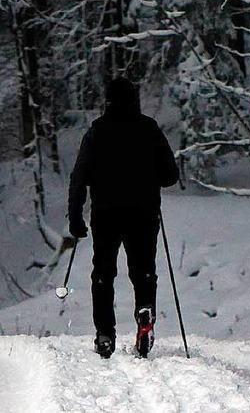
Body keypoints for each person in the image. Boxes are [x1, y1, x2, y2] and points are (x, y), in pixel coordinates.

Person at [68, 77, 179, 358]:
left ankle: (105, 333)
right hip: (143, 213)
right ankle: (145, 315)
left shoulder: (96, 132)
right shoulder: (149, 129)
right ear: (134, 99)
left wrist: (75, 217)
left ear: (107, 101)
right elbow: (170, 176)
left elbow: (79, 176)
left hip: (105, 214)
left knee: (103, 273)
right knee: (143, 271)